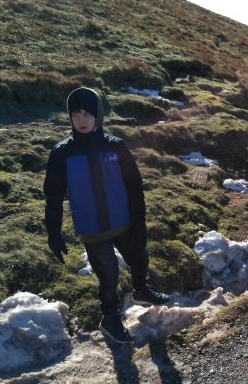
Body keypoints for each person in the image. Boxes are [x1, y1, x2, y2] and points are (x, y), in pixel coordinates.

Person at [44, 87, 169, 345]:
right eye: (75, 115)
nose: (81, 120)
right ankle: (110, 318)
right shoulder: (62, 153)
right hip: (93, 229)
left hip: (124, 221)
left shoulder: (116, 146)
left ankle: (142, 290)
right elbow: (53, 196)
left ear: (98, 115)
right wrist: (53, 234)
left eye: (87, 114)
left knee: (139, 256)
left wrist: (139, 220)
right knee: (108, 276)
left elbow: (134, 186)